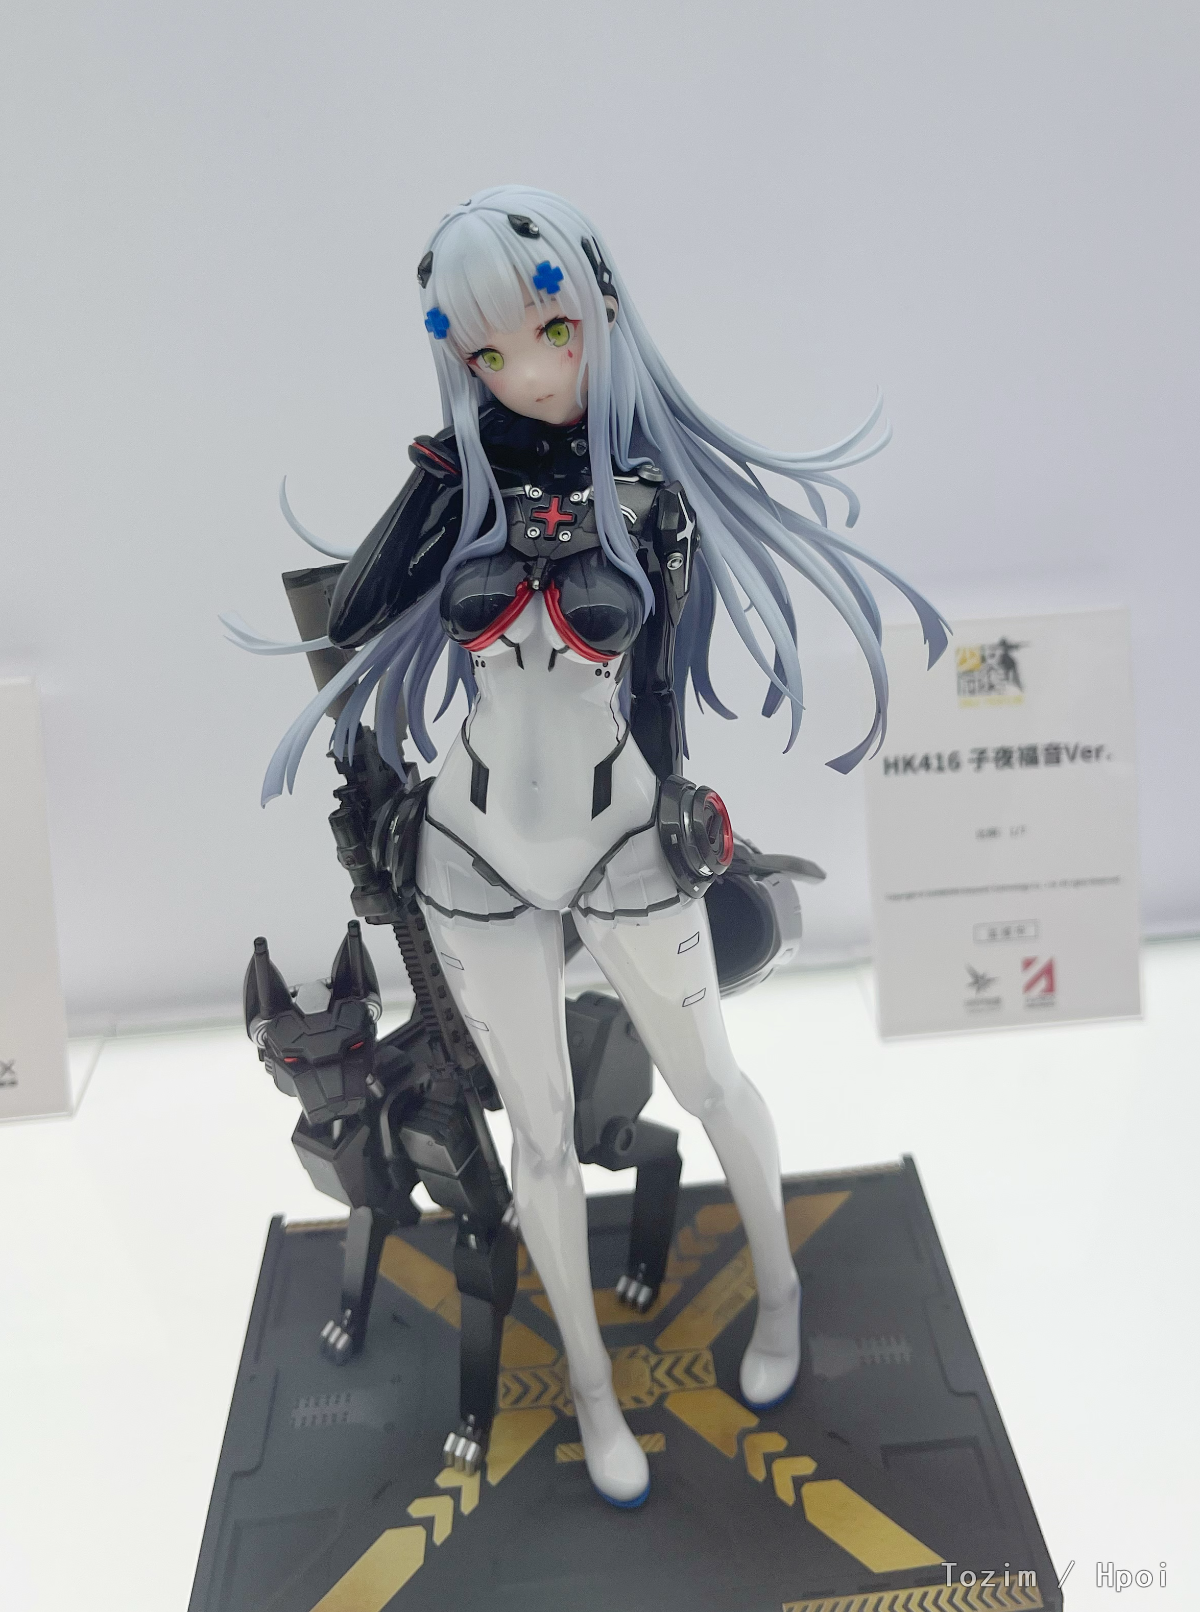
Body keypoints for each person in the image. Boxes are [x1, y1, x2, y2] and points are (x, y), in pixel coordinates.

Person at [230, 186, 946, 1507]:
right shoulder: (465, 484)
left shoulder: (649, 493)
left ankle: (780, 1291)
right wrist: (441, 470)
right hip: (475, 852)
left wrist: (681, 812)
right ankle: (594, 1389)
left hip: (620, 833)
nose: (527, 372)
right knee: (542, 1138)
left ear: (600, 313)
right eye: (485, 350)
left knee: (709, 1080)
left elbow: (661, 683)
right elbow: (356, 612)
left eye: (550, 334)